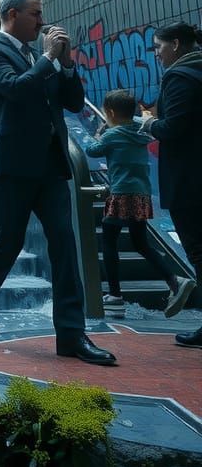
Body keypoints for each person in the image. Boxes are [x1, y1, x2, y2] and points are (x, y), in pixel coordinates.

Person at [0, 0, 117, 365]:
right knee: (7, 239)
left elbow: (74, 103)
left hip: (51, 165)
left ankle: (73, 335)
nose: (43, 21)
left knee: (64, 245)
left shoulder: (43, 58)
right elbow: (16, 90)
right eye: (35, 14)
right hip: (9, 165)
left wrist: (68, 63)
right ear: (11, 14)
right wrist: (47, 58)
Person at [85, 89, 194, 319]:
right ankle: (174, 280)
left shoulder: (112, 135)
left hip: (120, 194)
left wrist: (99, 133)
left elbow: (91, 150)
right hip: (141, 195)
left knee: (109, 242)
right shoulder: (142, 132)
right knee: (141, 242)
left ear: (110, 112)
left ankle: (114, 295)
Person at [139, 21, 202, 348]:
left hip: (190, 180)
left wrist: (150, 123)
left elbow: (173, 127)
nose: (157, 54)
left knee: (198, 249)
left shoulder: (180, 76)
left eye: (158, 47)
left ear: (175, 44)